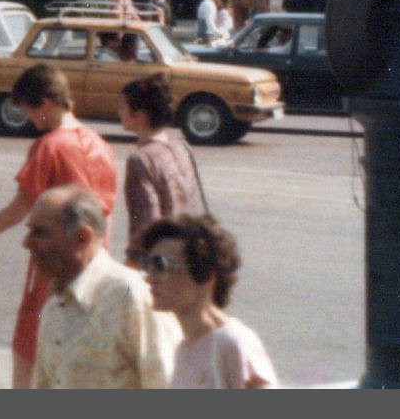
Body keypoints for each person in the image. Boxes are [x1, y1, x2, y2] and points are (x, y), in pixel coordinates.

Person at [0, 64, 119, 388]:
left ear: (45, 103)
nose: (28, 118)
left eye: (28, 109)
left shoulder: (49, 147)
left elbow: (18, 209)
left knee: (29, 351)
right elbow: (107, 214)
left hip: (52, 268)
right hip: (95, 266)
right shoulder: (100, 145)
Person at [26, 186, 173, 389]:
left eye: (40, 233)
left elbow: (167, 382)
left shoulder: (130, 296)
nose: (27, 243)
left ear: (82, 237)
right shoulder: (54, 308)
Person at [143, 214, 279, 388]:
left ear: (206, 278)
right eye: (149, 265)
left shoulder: (231, 342)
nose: (149, 277)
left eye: (161, 266)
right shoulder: (184, 350)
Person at [118, 75, 205, 267]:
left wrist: (133, 262)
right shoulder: (182, 147)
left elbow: (146, 222)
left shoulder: (141, 160)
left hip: (160, 262)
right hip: (188, 254)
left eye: (122, 107)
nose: (119, 112)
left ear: (139, 115)